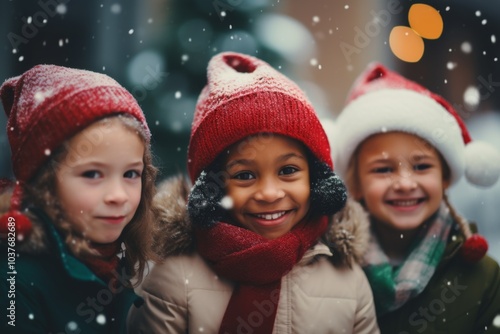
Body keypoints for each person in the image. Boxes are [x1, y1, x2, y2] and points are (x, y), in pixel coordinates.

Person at [127, 52, 380, 333]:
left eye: (288, 171)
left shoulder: (348, 279)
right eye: (244, 175)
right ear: (212, 188)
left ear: (316, 177)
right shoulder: (174, 277)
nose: (270, 193)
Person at [331, 62, 500, 333]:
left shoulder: (483, 276)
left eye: (421, 167)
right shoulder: (328, 267)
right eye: (383, 169)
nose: (405, 184)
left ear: (445, 178)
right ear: (356, 184)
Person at [0, 65, 157, 334]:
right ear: (43, 183)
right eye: (93, 174)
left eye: (131, 173)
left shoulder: (121, 261)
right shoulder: (15, 280)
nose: (118, 195)